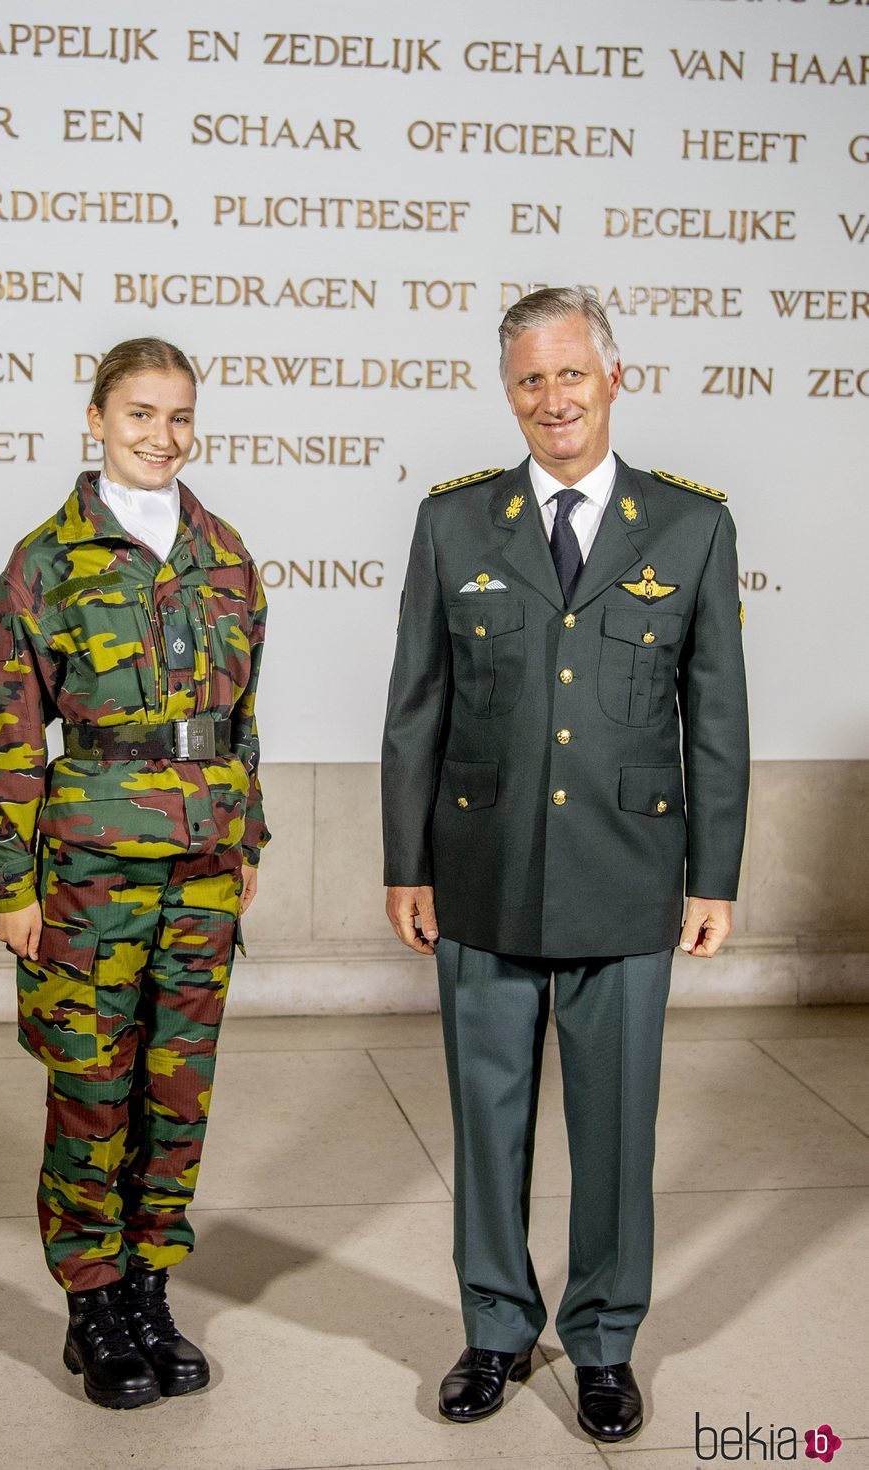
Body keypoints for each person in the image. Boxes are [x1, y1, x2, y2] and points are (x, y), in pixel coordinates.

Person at [381, 288, 749, 1443]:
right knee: (484, 1123)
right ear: (509, 393)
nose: (551, 400)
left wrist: (713, 874)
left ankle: (600, 1343)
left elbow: (715, 714)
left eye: (570, 375)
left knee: (615, 1127)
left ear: (612, 379)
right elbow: (416, 708)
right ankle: (493, 1328)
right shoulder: (454, 523)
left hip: (627, 873)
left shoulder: (688, 526)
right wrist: (405, 862)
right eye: (529, 380)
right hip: (481, 867)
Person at [0, 337, 270, 1410]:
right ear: (94, 419)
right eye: (140, 414)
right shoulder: (46, 560)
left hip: (200, 866)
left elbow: (240, 721)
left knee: (176, 1091)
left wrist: (246, 843)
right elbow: (9, 732)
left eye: (180, 416)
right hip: (89, 869)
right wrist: (13, 884)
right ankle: (92, 1299)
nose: (163, 436)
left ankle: (150, 1283)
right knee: (93, 1088)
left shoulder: (224, 553)